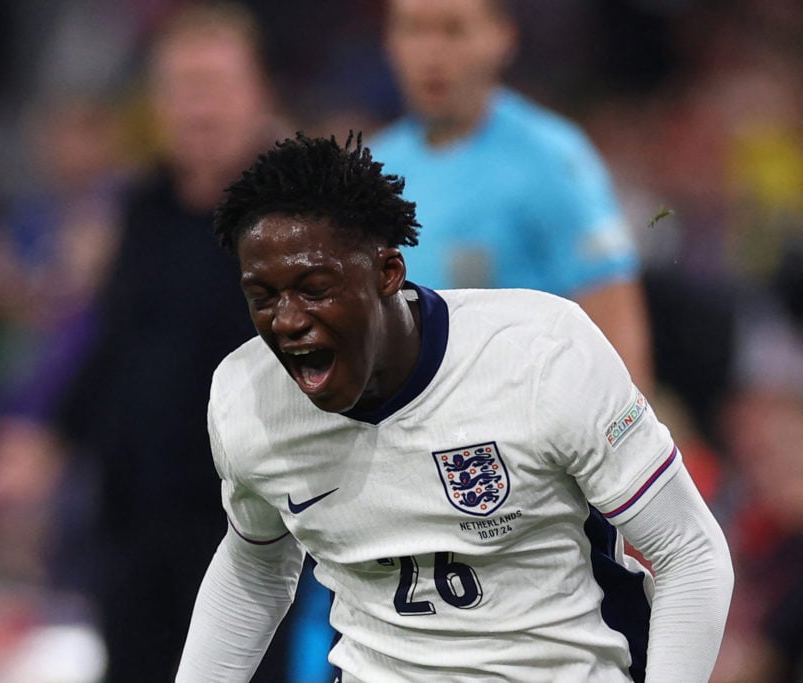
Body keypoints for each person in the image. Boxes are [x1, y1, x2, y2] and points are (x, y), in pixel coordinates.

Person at [175, 132, 733, 682]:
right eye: (263, 298)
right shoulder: (247, 400)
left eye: (315, 287)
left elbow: (689, 550)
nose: (288, 320)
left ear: (388, 273)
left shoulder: (541, 356)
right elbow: (254, 566)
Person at [50, 4, 290, 680]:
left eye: (215, 86)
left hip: (247, 537)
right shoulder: (139, 207)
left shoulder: (295, 223)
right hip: (131, 524)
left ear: (258, 95)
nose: (198, 108)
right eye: (182, 88)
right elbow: (113, 343)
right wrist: (46, 437)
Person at [367, 0, 653, 391]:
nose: (431, 53)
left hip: (524, 432)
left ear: (502, 37)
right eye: (413, 29)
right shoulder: (372, 168)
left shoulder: (553, 161)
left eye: (454, 30)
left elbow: (617, 334)